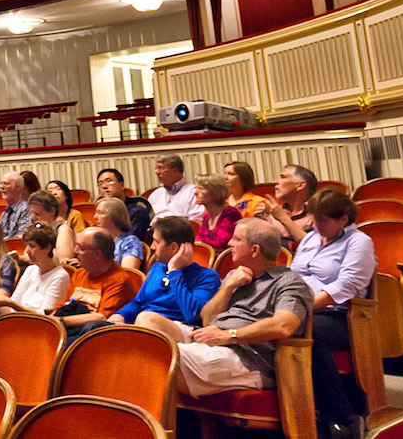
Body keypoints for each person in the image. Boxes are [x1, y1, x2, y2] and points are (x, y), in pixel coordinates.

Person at [161, 221, 313, 407]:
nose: (229, 243)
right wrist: (228, 286)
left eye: (236, 239)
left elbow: (284, 325)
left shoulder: (289, 282)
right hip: (214, 338)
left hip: (248, 357)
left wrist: (229, 336)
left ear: (254, 250)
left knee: (159, 352)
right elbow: (207, 320)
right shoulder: (236, 276)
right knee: (147, 328)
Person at [292, 189, 378, 436]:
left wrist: (300, 307)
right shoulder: (310, 239)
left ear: (343, 219)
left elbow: (345, 287)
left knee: (308, 332)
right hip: (304, 308)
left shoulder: (359, 242)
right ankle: (302, 410)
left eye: (323, 220)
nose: (316, 225)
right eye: (314, 219)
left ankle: (345, 417)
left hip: (342, 315)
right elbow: (293, 275)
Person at [113, 215, 222, 332]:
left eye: (156, 242)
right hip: (144, 325)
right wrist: (121, 315)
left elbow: (193, 316)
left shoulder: (207, 276)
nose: (152, 247)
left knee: (146, 317)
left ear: (174, 248)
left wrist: (175, 272)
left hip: (181, 329)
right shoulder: (157, 268)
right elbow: (139, 302)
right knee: (97, 326)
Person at [52, 228, 143, 335]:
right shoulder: (79, 274)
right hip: (68, 328)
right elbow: (62, 306)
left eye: (80, 248)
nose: (75, 251)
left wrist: (62, 321)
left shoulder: (119, 280)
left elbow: (102, 317)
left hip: (94, 335)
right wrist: (50, 320)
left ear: (97, 254)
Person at [0, 225, 71, 315]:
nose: (27, 251)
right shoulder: (31, 269)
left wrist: (10, 304)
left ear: (47, 248)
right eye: (27, 246)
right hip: (18, 320)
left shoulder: (60, 276)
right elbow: (13, 305)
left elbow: (45, 315)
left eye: (32, 246)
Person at [260, 164, 319, 244]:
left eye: (283, 177)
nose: (275, 182)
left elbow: (315, 245)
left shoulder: (318, 214)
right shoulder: (271, 214)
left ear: (300, 185)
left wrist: (283, 218)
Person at [97, 167, 153, 244]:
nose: (104, 186)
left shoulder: (137, 211)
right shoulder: (101, 214)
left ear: (122, 185)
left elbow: (132, 241)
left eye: (109, 181)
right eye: (100, 183)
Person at [24, 191, 77, 263]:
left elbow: (65, 263)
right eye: (31, 213)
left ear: (52, 211)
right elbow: (27, 257)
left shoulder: (63, 230)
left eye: (37, 214)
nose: (33, 217)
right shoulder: (34, 231)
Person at [93, 197, 144, 271]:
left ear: (115, 217)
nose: (95, 217)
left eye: (101, 213)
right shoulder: (97, 241)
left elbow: (128, 272)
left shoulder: (130, 242)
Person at [192, 177, 241, 250]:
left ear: (215, 192)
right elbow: (199, 238)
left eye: (201, 188)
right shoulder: (207, 217)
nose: (195, 192)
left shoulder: (231, 214)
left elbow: (220, 243)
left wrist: (200, 244)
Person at [149, 154, 198, 220]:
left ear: (175, 170)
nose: (156, 172)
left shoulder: (193, 192)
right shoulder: (156, 194)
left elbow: (196, 221)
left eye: (161, 168)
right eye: (156, 168)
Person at [0, 172, 31, 241]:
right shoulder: (5, 213)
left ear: (17, 187)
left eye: (6, 183)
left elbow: (22, 237)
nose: (1, 187)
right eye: (1, 183)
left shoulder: (26, 209)